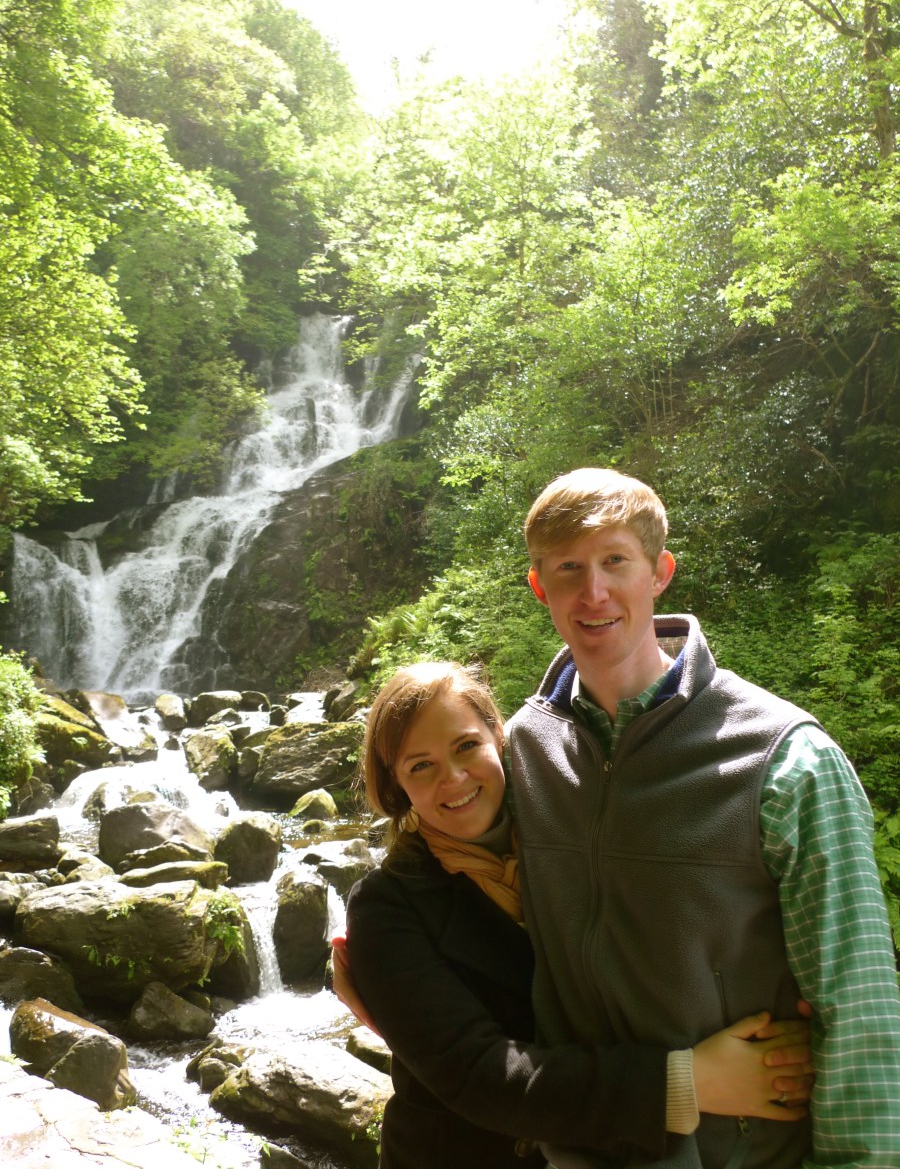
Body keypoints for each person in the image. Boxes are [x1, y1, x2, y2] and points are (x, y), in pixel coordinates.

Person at [508, 466, 900, 1169]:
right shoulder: (521, 750)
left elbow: (859, 1008)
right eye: (568, 568)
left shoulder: (786, 759)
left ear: (660, 572)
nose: (593, 592)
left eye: (615, 561)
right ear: (540, 586)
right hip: (579, 1150)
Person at [343, 661, 815, 1169]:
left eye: (466, 746)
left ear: (499, 737)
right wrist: (689, 1083)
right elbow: (479, 1075)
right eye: (420, 766)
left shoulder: (567, 835)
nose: (453, 778)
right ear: (395, 786)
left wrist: (780, 993)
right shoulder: (386, 908)